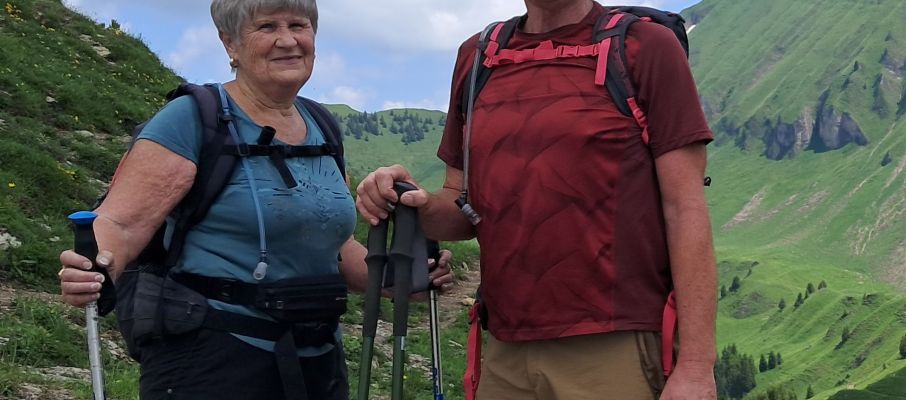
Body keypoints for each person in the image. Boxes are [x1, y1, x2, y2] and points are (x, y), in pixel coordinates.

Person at [53, 0, 452, 398]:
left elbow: (332, 247)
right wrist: (96, 266)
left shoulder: (322, 126)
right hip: (210, 360)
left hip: (317, 359)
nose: (287, 40)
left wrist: (402, 278)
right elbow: (121, 223)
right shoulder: (192, 119)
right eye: (266, 27)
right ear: (230, 43)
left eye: (299, 24)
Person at [354, 0, 718, 398]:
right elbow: (462, 207)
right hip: (506, 352)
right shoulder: (478, 56)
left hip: (615, 345)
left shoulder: (644, 46)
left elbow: (685, 209)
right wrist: (412, 202)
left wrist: (697, 367)